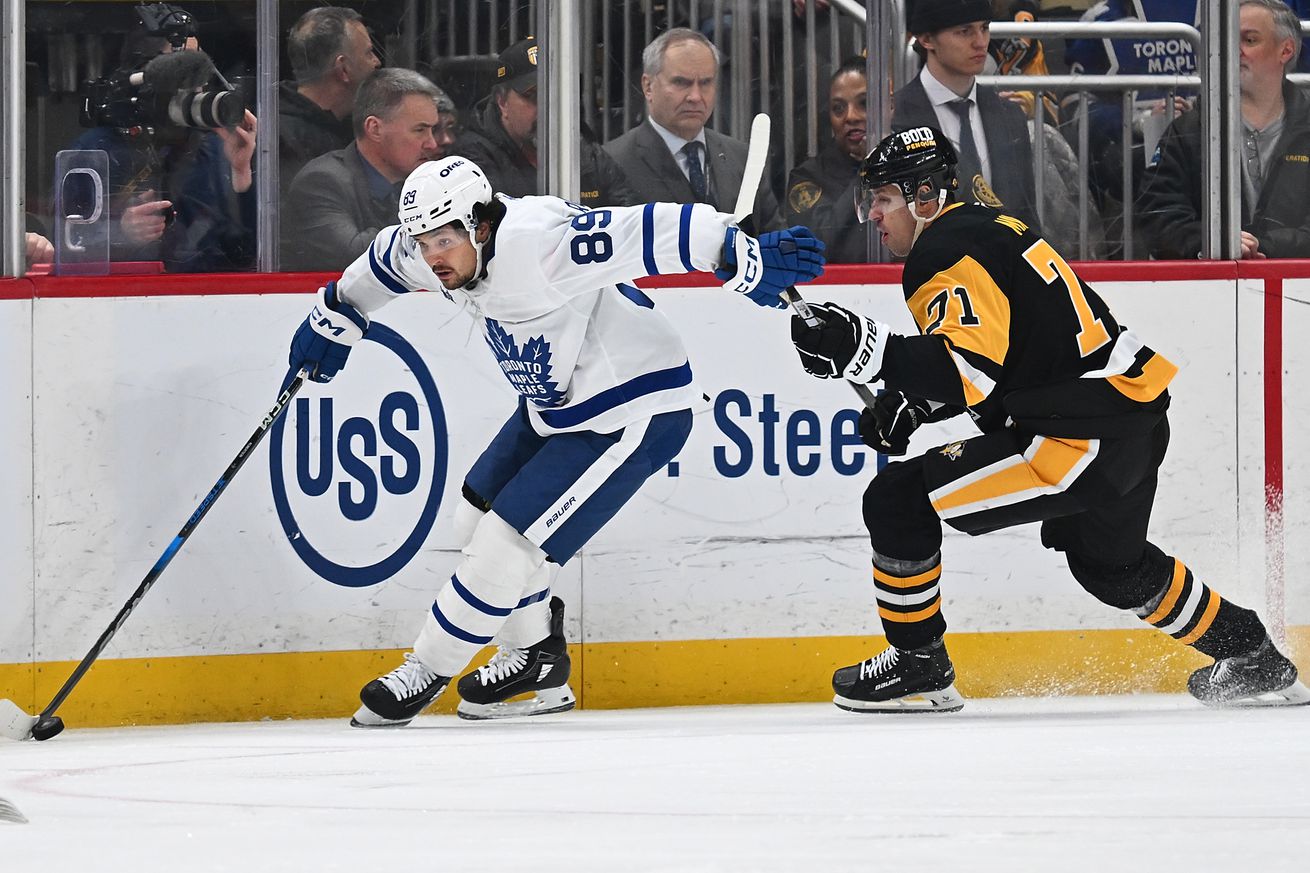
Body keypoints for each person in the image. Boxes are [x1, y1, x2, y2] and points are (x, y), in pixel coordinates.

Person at [285, 156, 826, 725]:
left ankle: (425, 670)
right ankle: (537, 660)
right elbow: (379, 267)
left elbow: (651, 229)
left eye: (443, 240)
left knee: (505, 544)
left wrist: (740, 258)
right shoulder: (438, 253)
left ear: (481, 225)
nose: (431, 256)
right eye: (424, 241)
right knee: (473, 520)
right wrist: (335, 317)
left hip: (636, 409)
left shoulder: (539, 243)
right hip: (558, 406)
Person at [789, 125, 1308, 713]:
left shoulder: (942, 251)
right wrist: (910, 403)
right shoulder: (990, 228)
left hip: (1075, 435)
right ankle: (1253, 656)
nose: (874, 217)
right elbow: (1010, 352)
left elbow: (969, 370)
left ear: (924, 196)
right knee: (1111, 566)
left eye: (883, 199)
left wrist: (867, 347)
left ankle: (918, 665)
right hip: (1130, 418)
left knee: (897, 499)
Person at [67, 6, 259, 273]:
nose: (197, 82)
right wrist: (120, 233)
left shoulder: (216, 147)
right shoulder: (95, 150)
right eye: (183, 68)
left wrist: (241, 174)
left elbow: (245, 255)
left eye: (200, 66)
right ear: (142, 74)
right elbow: (66, 249)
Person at [1139, 0, 1310, 259]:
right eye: (1229, 39)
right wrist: (1210, 242)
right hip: (1206, 291)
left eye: (1249, 40)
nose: (1235, 50)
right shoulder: (1189, 130)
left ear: (1285, 50)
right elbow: (1156, 216)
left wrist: (1264, 247)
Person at [604, 28, 783, 228]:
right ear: (648, 86)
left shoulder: (741, 158)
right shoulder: (613, 162)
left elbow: (773, 238)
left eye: (706, 82)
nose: (696, 97)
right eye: (681, 83)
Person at [282, 68, 444, 271]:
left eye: (433, 130)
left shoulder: (427, 183)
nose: (432, 144)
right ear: (375, 129)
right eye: (420, 130)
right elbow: (356, 259)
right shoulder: (321, 182)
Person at [892, 0, 1037, 225]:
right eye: (964, 31)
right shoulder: (895, 116)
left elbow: (1026, 217)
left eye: (985, 28)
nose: (980, 42)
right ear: (927, 39)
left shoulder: (1010, 116)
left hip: (999, 257)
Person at [453, 37, 636, 208]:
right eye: (533, 97)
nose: (548, 107)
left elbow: (628, 217)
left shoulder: (583, 148)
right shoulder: (473, 159)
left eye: (556, 94)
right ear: (502, 102)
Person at [279, 6, 381, 195]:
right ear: (343, 69)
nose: (376, 62)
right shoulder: (282, 142)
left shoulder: (352, 127)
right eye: (368, 53)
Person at [784, 57, 871, 264]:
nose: (851, 117)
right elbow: (817, 246)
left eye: (864, 103)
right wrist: (869, 167)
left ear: (890, 106)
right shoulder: (809, 176)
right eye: (838, 108)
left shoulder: (910, 159)